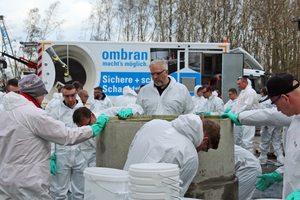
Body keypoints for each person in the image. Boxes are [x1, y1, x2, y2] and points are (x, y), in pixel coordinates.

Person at [0, 74, 109, 200]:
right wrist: (92, 129)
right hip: (27, 182)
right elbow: (67, 135)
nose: (43, 98)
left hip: (6, 178)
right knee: (60, 191)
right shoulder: (34, 114)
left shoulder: (6, 113)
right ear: (37, 93)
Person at [222, 73, 300, 199]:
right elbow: (295, 161)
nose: (278, 109)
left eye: (276, 104)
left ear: (286, 98)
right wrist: (280, 174)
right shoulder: (295, 119)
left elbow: (271, 115)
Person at [123, 114, 221, 196]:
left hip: (122, 190)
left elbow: (130, 151)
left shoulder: (153, 123)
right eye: (205, 148)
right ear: (205, 139)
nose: (201, 151)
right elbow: (176, 193)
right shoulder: (190, 155)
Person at [73, 104, 144, 167]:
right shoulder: (84, 136)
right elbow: (91, 158)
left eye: (88, 124)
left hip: (126, 155)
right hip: (108, 162)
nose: (87, 129)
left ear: (92, 115)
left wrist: (131, 111)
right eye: (82, 127)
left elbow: (138, 108)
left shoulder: (107, 113)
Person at [49, 84, 86, 199]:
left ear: (76, 94)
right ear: (62, 96)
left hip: (81, 155)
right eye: (66, 96)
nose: (70, 99)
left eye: (72, 96)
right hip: (62, 156)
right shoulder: (55, 113)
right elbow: (50, 135)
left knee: (80, 190)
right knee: (59, 190)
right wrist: (51, 155)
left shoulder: (83, 111)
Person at [230, 76, 258, 153]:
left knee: (247, 142)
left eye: (239, 84)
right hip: (242, 119)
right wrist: (231, 113)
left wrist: (237, 114)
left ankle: (250, 161)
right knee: (240, 141)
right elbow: (238, 105)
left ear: (244, 82)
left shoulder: (250, 92)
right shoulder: (243, 92)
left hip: (249, 119)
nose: (238, 86)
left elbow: (247, 106)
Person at [257, 87, 285, 165]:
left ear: (263, 93)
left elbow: (263, 114)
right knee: (277, 141)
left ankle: (262, 159)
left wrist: (265, 123)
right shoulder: (277, 99)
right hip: (277, 122)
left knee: (265, 141)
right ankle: (281, 160)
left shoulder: (264, 101)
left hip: (268, 124)